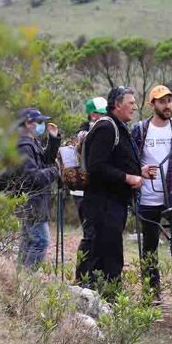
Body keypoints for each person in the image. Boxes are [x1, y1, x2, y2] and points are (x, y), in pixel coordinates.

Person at [131, 85, 172, 309]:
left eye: (170, 100)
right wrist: (138, 172)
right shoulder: (140, 130)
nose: (168, 105)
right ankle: (152, 291)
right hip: (148, 196)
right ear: (152, 105)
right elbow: (129, 160)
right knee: (149, 246)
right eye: (162, 101)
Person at [83, 86, 142, 295]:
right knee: (107, 256)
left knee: (108, 253)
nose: (134, 107)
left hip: (114, 203)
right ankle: (106, 304)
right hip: (103, 204)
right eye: (131, 103)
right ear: (117, 104)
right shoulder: (107, 128)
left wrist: (139, 172)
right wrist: (128, 177)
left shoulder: (118, 127)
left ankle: (104, 301)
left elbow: (115, 161)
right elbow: (96, 166)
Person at [15, 107, 61, 270]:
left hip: (36, 201)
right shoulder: (24, 147)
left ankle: (18, 280)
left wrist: (53, 140)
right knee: (40, 241)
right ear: (28, 123)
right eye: (39, 122)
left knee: (28, 241)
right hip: (31, 202)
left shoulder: (32, 143)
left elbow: (45, 160)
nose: (42, 125)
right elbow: (32, 177)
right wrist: (55, 172)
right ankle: (26, 281)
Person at [71, 96, 108, 284]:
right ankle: (82, 277)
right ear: (92, 114)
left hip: (96, 193)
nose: (104, 116)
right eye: (101, 113)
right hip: (83, 193)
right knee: (90, 235)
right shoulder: (84, 133)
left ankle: (94, 275)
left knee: (98, 235)